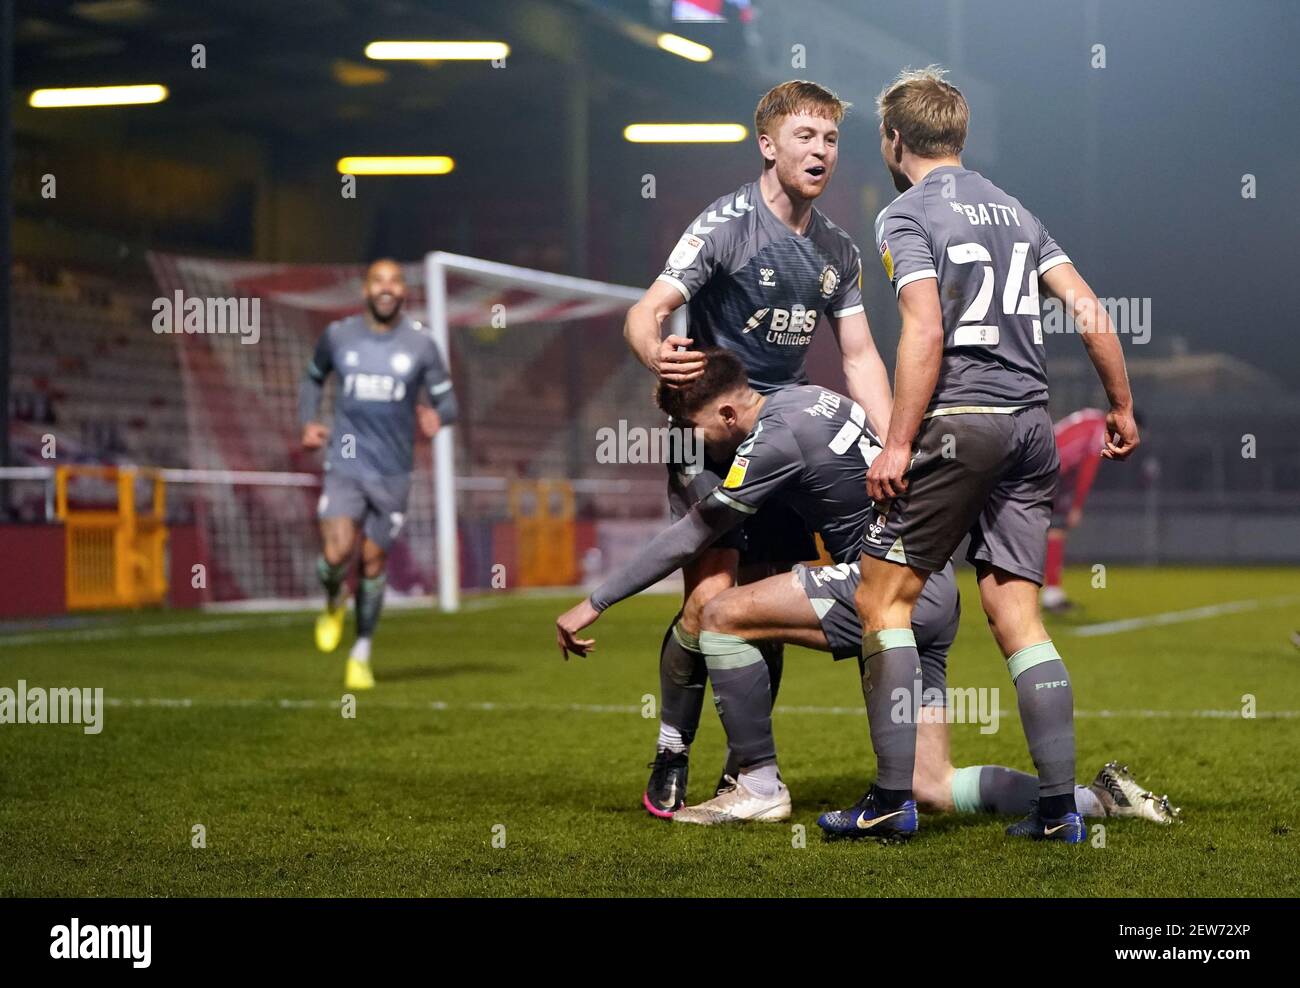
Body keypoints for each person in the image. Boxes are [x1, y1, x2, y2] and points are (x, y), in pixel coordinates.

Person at [555, 350, 1177, 828]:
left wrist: (593, 602)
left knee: (718, 615)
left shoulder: (774, 437)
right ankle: (1096, 801)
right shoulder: (809, 399)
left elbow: (693, 533)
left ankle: (759, 785)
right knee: (934, 787)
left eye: (697, 428)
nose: (699, 443)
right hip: (933, 593)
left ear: (724, 413)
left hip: (884, 589)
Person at [827, 67, 1140, 844]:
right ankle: (1060, 810)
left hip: (964, 422)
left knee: (882, 600)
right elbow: (1093, 312)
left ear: (894, 141)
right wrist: (1122, 407)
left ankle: (890, 800)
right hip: (1032, 430)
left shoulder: (905, 213)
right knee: (1017, 615)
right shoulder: (1016, 211)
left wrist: (897, 442)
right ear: (960, 138)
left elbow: (925, 332)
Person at [621, 79, 894, 817]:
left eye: (832, 139)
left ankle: (748, 770)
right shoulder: (723, 227)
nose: (821, 151)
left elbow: (863, 357)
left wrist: (894, 444)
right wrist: (656, 355)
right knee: (708, 602)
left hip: (782, 446)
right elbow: (646, 312)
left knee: (756, 607)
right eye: (805, 137)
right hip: (710, 438)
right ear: (768, 146)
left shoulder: (837, 249)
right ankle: (673, 750)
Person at [299, 259, 457, 689]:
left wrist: (436, 419)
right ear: (365, 289)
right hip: (345, 464)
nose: (386, 288)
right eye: (378, 281)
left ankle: (361, 652)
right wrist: (307, 420)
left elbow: (448, 403)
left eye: (394, 281)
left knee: (372, 560)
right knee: (336, 553)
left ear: (404, 291)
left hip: (393, 473)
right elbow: (313, 378)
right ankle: (334, 600)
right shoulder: (338, 336)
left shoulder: (422, 345)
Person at [1042, 408, 1108, 613]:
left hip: (1044, 462)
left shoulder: (1091, 416)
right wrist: (1077, 506)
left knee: (1054, 530)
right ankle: (1042, 594)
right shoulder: (1102, 429)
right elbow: (1088, 467)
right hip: (1050, 468)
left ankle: (1051, 593)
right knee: (1048, 530)